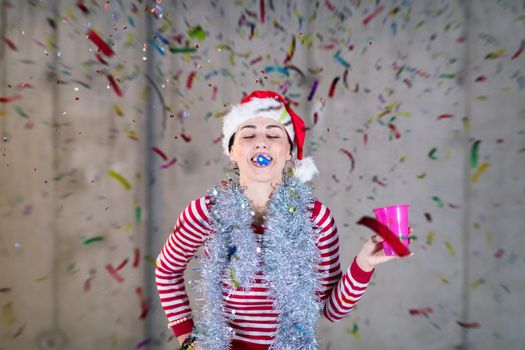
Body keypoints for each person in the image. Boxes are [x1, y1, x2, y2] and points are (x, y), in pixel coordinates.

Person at [155, 90, 413, 350]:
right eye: (248, 134)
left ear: (290, 151)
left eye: (273, 134)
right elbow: (166, 270)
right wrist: (187, 341)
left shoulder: (315, 219)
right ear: (232, 151)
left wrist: (364, 264)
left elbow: (332, 310)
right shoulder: (206, 213)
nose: (261, 142)